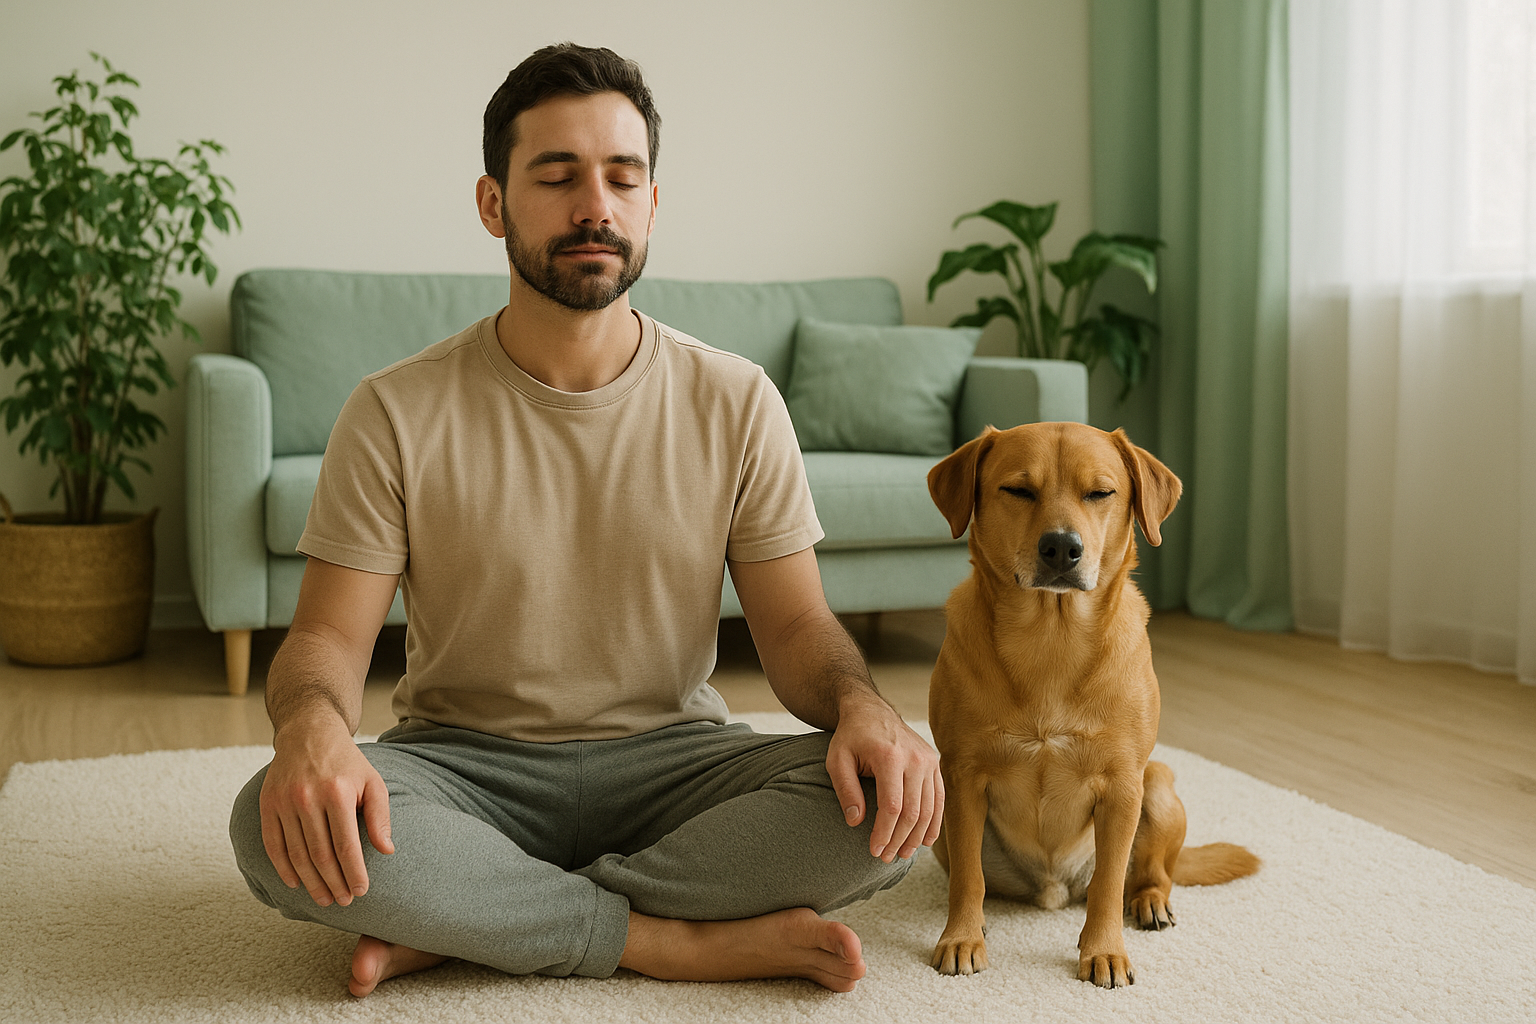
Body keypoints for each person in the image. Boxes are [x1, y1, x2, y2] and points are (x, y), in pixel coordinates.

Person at [229, 42, 942, 998]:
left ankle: (477, 923)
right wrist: (312, 730)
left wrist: (867, 710)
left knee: (885, 808)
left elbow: (801, 630)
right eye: (556, 176)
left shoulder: (736, 400)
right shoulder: (393, 410)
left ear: (654, 203)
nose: (593, 207)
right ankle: (664, 939)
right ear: (493, 203)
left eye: (621, 176)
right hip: (464, 768)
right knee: (269, 824)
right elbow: (323, 640)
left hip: (673, 765)